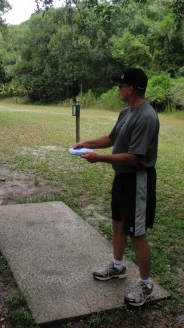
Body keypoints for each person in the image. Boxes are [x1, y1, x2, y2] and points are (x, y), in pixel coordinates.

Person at [74, 67, 159, 307]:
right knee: (119, 223)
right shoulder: (127, 112)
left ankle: (146, 284)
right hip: (122, 179)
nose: (118, 89)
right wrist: (86, 143)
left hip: (137, 180)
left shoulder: (146, 116)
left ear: (130, 89)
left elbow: (134, 158)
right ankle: (118, 266)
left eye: (120, 86)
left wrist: (98, 158)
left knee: (137, 233)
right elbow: (112, 139)